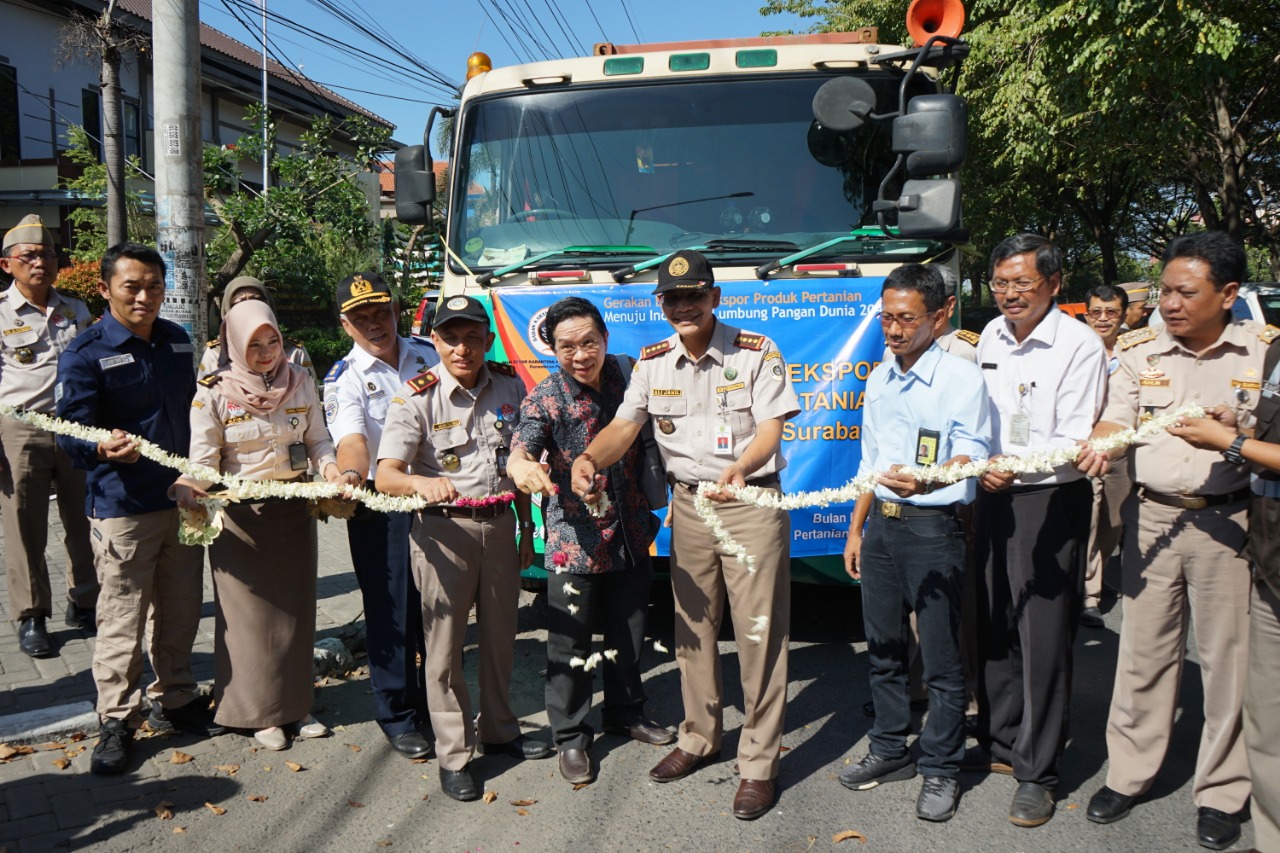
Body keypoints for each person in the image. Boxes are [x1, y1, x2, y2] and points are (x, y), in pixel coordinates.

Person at [571, 249, 801, 821]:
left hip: (749, 502)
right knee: (692, 630)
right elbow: (624, 426)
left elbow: (771, 430)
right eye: (672, 298)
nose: (683, 307)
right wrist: (589, 459)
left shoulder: (756, 351)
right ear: (662, 304)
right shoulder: (653, 363)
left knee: (758, 634)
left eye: (694, 296)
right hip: (690, 507)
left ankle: (758, 764)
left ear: (714, 297)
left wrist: (741, 467)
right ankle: (700, 736)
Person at [1076, 232, 1270, 851]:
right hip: (1153, 518)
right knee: (1144, 652)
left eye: (1186, 292)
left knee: (1227, 662)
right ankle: (1129, 774)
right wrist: (1101, 445)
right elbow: (1116, 417)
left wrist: (1233, 434)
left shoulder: (1264, 352)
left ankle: (1222, 791)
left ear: (1228, 293)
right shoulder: (1140, 351)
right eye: (1163, 291)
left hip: (1227, 525)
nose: (1170, 304)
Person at [375, 294, 550, 802]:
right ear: (435, 341)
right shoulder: (416, 396)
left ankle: (499, 730)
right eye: (450, 337)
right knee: (445, 650)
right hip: (442, 533)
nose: (462, 348)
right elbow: (386, 475)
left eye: (473, 336)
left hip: (500, 527)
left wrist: (525, 528)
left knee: (501, 638)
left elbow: (517, 461)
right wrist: (419, 484)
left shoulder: (510, 385)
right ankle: (454, 755)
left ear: (488, 340)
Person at [55, 242, 218, 775]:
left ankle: (176, 696)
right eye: (132, 286)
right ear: (106, 289)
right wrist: (100, 446)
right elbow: (69, 430)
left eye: (154, 286)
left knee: (180, 606)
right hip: (123, 507)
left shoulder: (176, 341)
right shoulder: (85, 352)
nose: (144, 296)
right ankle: (117, 719)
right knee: (122, 617)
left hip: (182, 499)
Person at [838, 265, 991, 822]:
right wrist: (856, 529)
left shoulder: (961, 378)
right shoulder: (879, 378)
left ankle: (942, 767)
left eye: (906, 318)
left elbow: (972, 456)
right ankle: (888, 747)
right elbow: (870, 462)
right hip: (881, 527)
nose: (894, 329)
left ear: (940, 316)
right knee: (883, 649)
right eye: (886, 318)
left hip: (933, 529)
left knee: (942, 661)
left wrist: (928, 481)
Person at [964, 234, 1107, 827]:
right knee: (993, 620)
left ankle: (1039, 772)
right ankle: (1001, 742)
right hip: (991, 491)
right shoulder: (990, 336)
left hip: (1048, 498)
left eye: (1022, 283)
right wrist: (978, 464)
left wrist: (1011, 468)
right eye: (1000, 283)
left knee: (1043, 635)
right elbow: (978, 416)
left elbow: (1074, 436)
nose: (1010, 294)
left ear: (1054, 283)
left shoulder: (1079, 344)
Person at [507, 297, 672, 786]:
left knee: (629, 631)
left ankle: (626, 712)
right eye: (567, 347)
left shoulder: (631, 376)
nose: (580, 355)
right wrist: (520, 466)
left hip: (630, 531)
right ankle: (572, 737)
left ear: (605, 339)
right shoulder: (545, 398)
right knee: (569, 642)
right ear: (553, 350)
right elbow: (522, 448)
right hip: (573, 543)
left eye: (588, 342)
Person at [172, 300, 346, 750]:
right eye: (254, 345)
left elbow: (318, 440)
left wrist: (331, 471)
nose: (267, 352)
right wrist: (189, 484)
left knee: (295, 616)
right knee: (249, 621)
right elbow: (203, 458)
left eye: (273, 341)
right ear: (232, 343)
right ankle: (259, 713)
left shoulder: (300, 380)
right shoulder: (213, 391)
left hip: (293, 514)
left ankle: (297, 706)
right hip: (240, 521)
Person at [1166, 356, 1280, 853]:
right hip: (1270, 552)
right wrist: (1241, 433)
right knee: (1267, 716)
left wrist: (1230, 443)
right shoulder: (1277, 353)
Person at [324, 272, 438, 759]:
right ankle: (398, 714)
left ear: (395, 311)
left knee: (437, 607)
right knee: (390, 611)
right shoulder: (343, 377)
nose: (375, 324)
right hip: (380, 504)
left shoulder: (430, 353)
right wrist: (351, 474)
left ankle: (438, 703)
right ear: (345, 324)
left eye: (381, 312)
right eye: (361, 317)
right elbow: (352, 439)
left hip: (436, 495)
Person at [0, 215, 97, 657]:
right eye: (30, 256)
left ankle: (86, 601)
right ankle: (32, 615)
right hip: (22, 428)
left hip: (75, 427)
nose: (41, 263)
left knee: (84, 518)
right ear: (7, 264)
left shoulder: (76, 309)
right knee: (25, 525)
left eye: (48, 255)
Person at [1079, 283, 1133, 628]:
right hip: (1086, 449)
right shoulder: (1077, 350)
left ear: (1123, 315)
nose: (1102, 318)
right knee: (1090, 520)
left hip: (1122, 450)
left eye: (1111, 312)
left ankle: (1098, 572)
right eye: (1096, 312)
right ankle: (1089, 595)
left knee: (1114, 521)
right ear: (1086, 315)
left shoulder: (1136, 351)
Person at [199, 276, 315, 382]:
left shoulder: (293, 351)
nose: (250, 306)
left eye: (256, 300)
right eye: (239, 303)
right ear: (227, 311)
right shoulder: (215, 354)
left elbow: (310, 392)